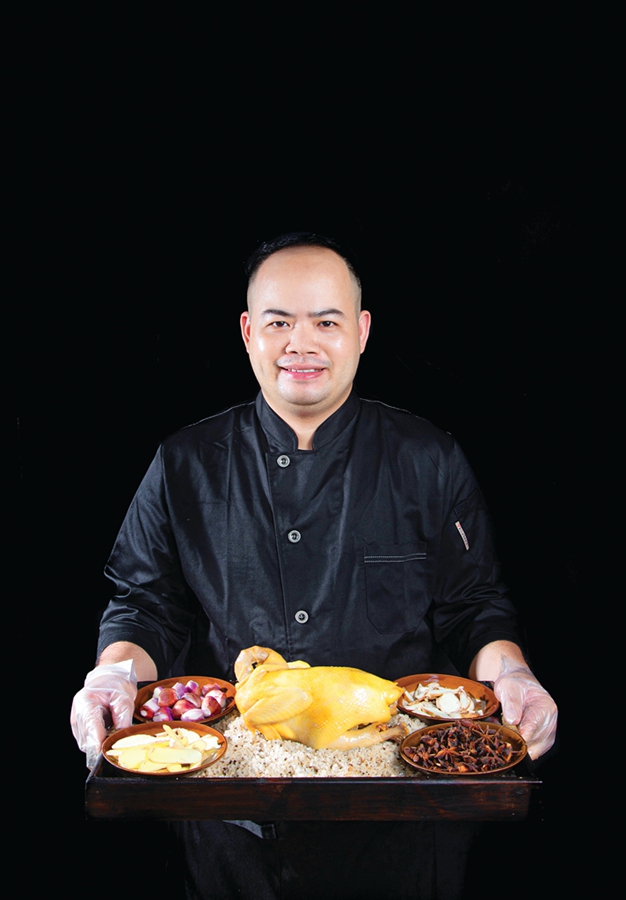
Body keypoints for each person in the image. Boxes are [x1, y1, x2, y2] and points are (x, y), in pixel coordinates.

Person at [71, 232, 557, 899]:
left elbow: (474, 607)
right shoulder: (185, 463)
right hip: (234, 825)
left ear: (361, 332)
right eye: (279, 323)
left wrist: (517, 676)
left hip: (401, 824)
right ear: (248, 332)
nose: (301, 344)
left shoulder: (427, 458)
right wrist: (112, 676)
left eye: (326, 322)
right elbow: (145, 603)